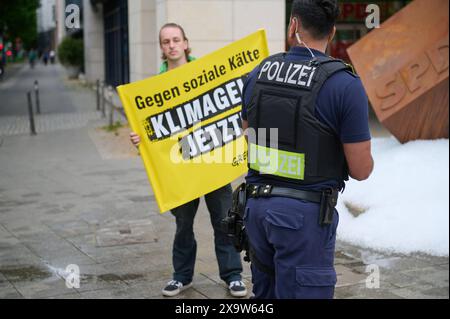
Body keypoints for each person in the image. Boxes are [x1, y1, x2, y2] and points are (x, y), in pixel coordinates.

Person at [241, 0, 374, 299]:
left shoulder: (258, 73)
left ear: (293, 26)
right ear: (333, 32)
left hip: (256, 212)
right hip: (304, 221)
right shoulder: (345, 84)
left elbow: (249, 138)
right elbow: (361, 170)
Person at [129, 23, 247, 298]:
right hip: (179, 170)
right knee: (183, 226)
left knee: (224, 220)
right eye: (165, 41)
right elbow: (153, 133)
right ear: (161, 48)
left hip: (212, 165)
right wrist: (140, 142)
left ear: (185, 43)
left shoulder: (207, 73)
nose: (171, 45)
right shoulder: (154, 89)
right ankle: (181, 277)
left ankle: (233, 275)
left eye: (176, 40)